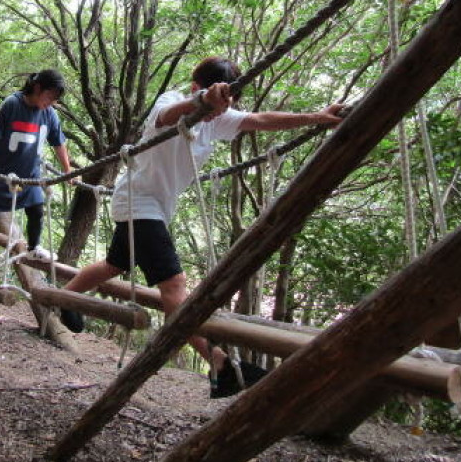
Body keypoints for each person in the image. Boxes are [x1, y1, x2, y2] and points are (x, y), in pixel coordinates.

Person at [58, 57, 344, 398]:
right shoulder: (172, 101)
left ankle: (64, 298)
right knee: (174, 283)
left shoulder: (218, 119)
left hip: (154, 207)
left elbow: (259, 120)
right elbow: (166, 116)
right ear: (196, 88)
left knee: (114, 264)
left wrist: (317, 117)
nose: (217, 113)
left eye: (224, 106)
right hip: (138, 202)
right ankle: (219, 363)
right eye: (215, 104)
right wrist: (201, 102)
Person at [0, 69, 73, 268]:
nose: (51, 103)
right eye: (49, 97)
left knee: (36, 209)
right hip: (1, 174)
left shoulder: (49, 114)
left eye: (55, 99)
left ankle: (34, 248)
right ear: (37, 88)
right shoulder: (12, 104)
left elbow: (58, 143)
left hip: (29, 175)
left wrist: (67, 170)